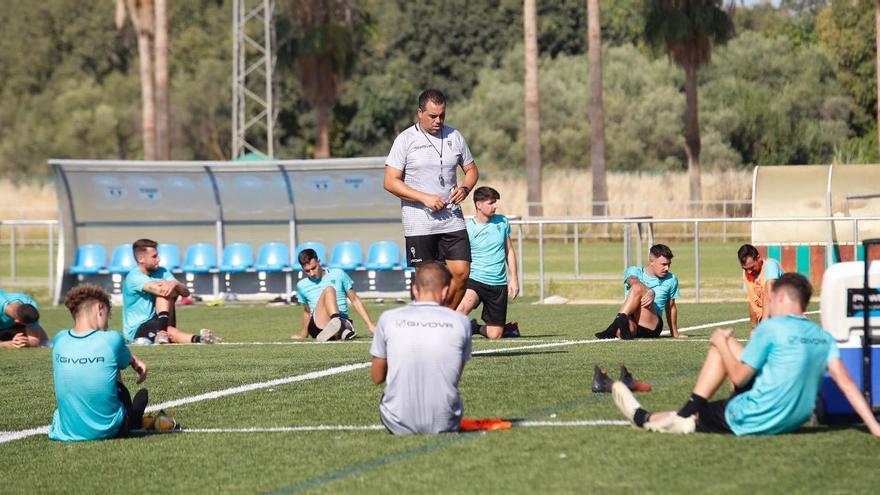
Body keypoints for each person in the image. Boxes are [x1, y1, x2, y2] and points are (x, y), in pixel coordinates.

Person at [612, 272, 880, 437]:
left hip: (754, 417)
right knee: (728, 346)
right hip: (795, 419)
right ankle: (686, 411)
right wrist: (874, 426)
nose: (768, 304)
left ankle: (647, 416)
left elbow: (739, 378)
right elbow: (846, 383)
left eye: (771, 299)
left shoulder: (772, 328)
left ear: (783, 298)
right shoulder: (823, 336)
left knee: (695, 411)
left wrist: (719, 341)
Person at [383, 88, 479, 309]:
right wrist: (423, 198)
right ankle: (425, 325)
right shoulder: (405, 140)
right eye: (433, 116)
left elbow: (472, 170)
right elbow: (390, 181)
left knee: (462, 273)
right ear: (420, 113)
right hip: (420, 224)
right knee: (428, 282)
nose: (438, 121)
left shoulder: (455, 136)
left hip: (451, 218)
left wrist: (464, 189)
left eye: (442, 115)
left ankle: (447, 318)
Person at [370, 262, 472, 435]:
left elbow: (377, 377)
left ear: (414, 289)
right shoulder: (461, 322)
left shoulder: (388, 318)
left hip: (397, 422)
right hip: (445, 422)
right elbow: (454, 375)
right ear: (446, 291)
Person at [49, 285, 150, 441]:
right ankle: (133, 418)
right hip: (110, 430)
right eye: (108, 317)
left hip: (65, 433)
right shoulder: (111, 339)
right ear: (100, 308)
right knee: (113, 365)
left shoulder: (60, 339)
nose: (107, 325)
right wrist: (134, 360)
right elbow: (124, 361)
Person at [123, 238, 220, 344]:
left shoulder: (162, 271)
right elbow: (163, 291)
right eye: (154, 256)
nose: (159, 259)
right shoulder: (134, 277)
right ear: (141, 259)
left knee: (167, 295)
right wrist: (173, 289)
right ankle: (201, 339)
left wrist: (175, 284)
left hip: (160, 320)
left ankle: (163, 333)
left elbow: (185, 293)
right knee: (171, 329)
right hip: (139, 328)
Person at [455, 186, 519, 339]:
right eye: (491, 203)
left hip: (498, 284)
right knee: (459, 311)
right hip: (475, 280)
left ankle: (474, 327)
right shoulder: (468, 228)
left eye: (495, 202)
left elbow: (509, 250)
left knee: (495, 334)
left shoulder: (502, 222)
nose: (495, 206)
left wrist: (514, 279)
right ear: (479, 205)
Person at [595, 244, 684, 340]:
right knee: (622, 330)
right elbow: (633, 281)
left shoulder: (671, 279)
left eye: (669, 264)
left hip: (651, 324)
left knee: (638, 288)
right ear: (652, 262)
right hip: (631, 319)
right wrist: (649, 291)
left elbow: (670, 307)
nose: (667, 268)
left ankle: (613, 327)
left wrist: (675, 333)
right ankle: (624, 332)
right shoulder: (634, 271)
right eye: (663, 264)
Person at [292, 248, 376, 342]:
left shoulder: (338, 274)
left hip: (344, 322)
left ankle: (338, 328)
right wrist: (303, 334)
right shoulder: (302, 285)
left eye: (314, 268)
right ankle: (337, 325)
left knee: (345, 322)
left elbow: (355, 300)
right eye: (307, 271)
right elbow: (307, 311)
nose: (311, 273)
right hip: (318, 325)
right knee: (329, 289)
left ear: (319, 262)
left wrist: (370, 325)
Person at [738, 243, 783, 330]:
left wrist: (764, 328)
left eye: (751, 267)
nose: (749, 271)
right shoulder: (747, 274)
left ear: (758, 258)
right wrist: (753, 329)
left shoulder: (770, 266)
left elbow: (769, 297)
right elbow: (753, 302)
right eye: (745, 269)